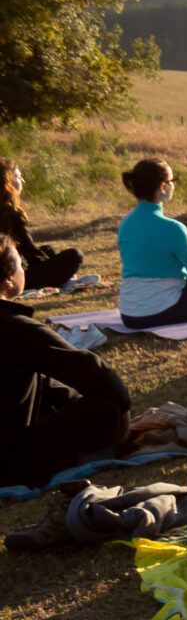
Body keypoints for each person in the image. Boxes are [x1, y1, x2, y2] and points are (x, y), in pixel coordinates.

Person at [0, 240, 131, 490]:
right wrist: (122, 413)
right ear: (8, 280)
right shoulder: (13, 326)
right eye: (20, 265)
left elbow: (46, 383)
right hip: (10, 463)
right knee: (108, 408)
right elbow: (92, 372)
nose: (24, 271)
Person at [116, 158, 187, 328]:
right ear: (163, 187)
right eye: (172, 181)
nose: (173, 185)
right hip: (160, 311)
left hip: (129, 315)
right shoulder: (173, 228)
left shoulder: (126, 224)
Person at [1, 157, 81, 291]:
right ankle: (63, 281)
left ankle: (60, 278)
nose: (21, 181)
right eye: (17, 176)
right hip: (8, 280)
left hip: (5, 272)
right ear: (7, 181)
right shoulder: (9, 215)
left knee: (47, 250)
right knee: (74, 256)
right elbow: (32, 255)